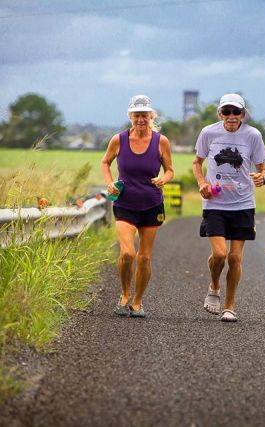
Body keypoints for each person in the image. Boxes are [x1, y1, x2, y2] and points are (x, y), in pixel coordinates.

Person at [192, 93, 265, 322]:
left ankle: (229, 305)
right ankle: (214, 287)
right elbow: (197, 162)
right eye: (227, 112)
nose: (232, 116)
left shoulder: (253, 135)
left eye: (236, 112)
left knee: (235, 258)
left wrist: (263, 177)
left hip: (243, 204)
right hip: (215, 203)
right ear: (220, 114)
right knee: (219, 254)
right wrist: (202, 183)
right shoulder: (209, 133)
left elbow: (263, 168)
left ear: (243, 114)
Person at [101, 94, 174, 318]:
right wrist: (110, 182)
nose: (141, 119)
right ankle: (124, 294)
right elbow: (105, 162)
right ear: (130, 116)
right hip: (125, 204)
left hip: (152, 204)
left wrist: (164, 179)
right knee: (127, 254)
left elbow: (170, 170)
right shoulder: (118, 140)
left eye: (145, 115)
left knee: (144, 257)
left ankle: (137, 302)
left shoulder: (161, 141)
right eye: (137, 115)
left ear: (151, 116)